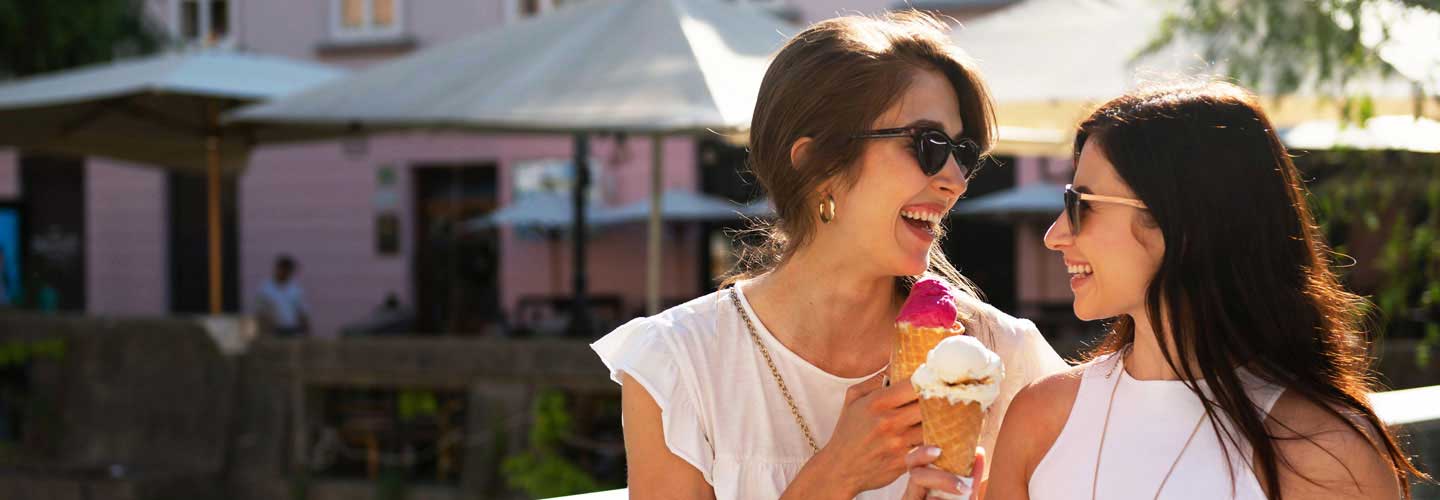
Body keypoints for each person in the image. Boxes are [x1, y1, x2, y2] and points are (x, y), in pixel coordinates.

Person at [591, 12, 1067, 500]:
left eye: (961, 152)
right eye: (928, 145)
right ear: (815, 162)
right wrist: (834, 476)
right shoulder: (678, 367)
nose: (956, 180)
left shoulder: (1005, 355)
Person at [987, 80, 1427, 499]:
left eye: (1080, 205)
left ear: (1184, 222)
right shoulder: (1039, 419)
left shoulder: (1326, 452)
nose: (1055, 234)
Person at [255, 254, 311, 337]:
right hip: (273, 331)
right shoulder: (265, 289)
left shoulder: (295, 289)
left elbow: (302, 311)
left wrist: (306, 330)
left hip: (292, 330)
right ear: (278, 269)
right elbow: (260, 312)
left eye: (288, 271)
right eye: (284, 270)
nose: (286, 273)